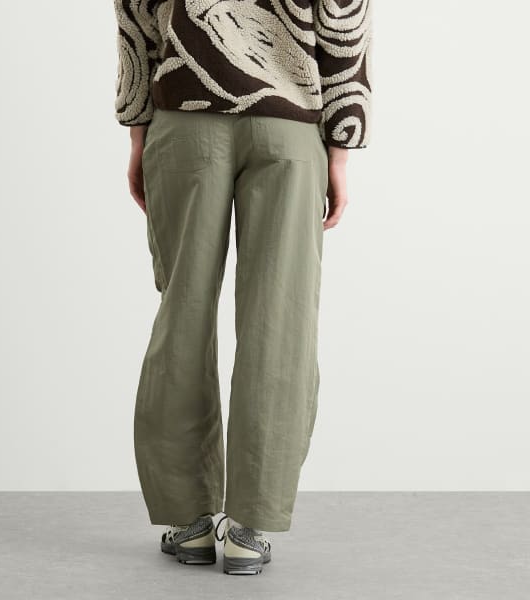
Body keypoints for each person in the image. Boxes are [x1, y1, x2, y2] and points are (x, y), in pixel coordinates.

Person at [112, 0, 372, 575]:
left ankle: (191, 521)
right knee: (280, 321)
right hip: (290, 126)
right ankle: (249, 528)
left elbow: (135, 17)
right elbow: (345, 18)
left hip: (184, 117)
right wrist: (341, 147)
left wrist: (137, 132)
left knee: (183, 314)